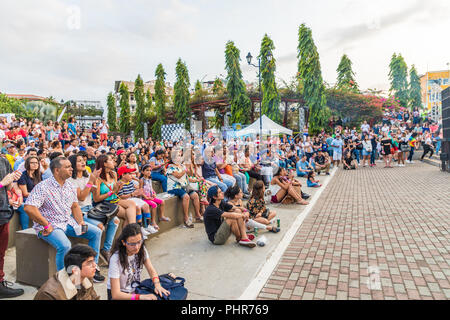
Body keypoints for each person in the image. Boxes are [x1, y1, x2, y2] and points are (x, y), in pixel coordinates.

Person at [23, 157, 105, 282]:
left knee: (96, 232)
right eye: (67, 167)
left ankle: (93, 269)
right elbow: (29, 208)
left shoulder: (70, 185)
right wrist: (46, 224)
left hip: (68, 222)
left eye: (70, 166)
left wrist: (81, 222)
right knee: (65, 245)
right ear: (56, 170)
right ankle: (64, 280)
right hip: (50, 226)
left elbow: (75, 206)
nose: (71, 168)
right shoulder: (43, 186)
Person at [67, 154, 119, 264]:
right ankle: (93, 263)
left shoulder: (88, 176)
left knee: (115, 221)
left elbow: (94, 194)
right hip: (80, 211)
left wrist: (96, 183)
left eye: (83, 160)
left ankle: (106, 249)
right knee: (99, 227)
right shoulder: (71, 180)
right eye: (79, 161)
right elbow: (80, 197)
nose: (83, 162)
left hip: (91, 208)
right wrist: (91, 182)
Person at [107, 223, 173, 300]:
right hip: (121, 295)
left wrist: (157, 285)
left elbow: (151, 270)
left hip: (135, 290)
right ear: (123, 242)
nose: (137, 247)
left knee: (165, 283)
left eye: (139, 242)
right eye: (132, 244)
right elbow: (116, 295)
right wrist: (141, 297)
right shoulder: (115, 259)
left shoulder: (142, 250)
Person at [34, 244, 100, 300]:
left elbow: (93, 297)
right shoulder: (50, 295)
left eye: (93, 261)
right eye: (89, 263)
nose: (95, 265)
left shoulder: (86, 277)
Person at [0, 161, 24, 299]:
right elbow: (3, 183)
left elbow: (9, 186)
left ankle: (0, 283)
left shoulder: (3, 161)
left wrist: (13, 183)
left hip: (3, 214)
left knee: (1, 252)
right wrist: (2, 183)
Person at [92, 154, 137, 227]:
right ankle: (132, 232)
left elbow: (116, 192)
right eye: (110, 160)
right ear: (104, 163)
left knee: (132, 203)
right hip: (104, 203)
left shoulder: (113, 174)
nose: (113, 161)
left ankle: (133, 229)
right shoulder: (98, 178)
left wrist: (118, 188)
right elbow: (96, 199)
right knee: (127, 215)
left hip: (114, 200)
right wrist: (112, 192)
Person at [116, 166, 158, 236]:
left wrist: (138, 191)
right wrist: (133, 194)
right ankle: (140, 228)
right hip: (127, 200)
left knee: (146, 206)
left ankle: (147, 226)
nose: (131, 175)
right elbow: (121, 197)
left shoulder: (131, 182)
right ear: (123, 175)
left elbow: (137, 189)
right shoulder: (120, 183)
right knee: (138, 208)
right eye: (129, 174)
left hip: (133, 198)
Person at [166, 149, 202, 228]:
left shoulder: (182, 166)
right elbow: (178, 176)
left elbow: (188, 176)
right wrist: (185, 169)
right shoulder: (170, 167)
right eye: (179, 155)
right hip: (174, 188)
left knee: (195, 195)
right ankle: (185, 218)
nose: (180, 157)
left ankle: (198, 215)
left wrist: (196, 178)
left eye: (180, 155)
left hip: (184, 186)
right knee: (186, 196)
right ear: (174, 158)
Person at [140, 164, 168, 231]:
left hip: (150, 197)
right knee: (154, 205)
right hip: (145, 198)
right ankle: (153, 221)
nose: (149, 172)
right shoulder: (142, 180)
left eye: (150, 170)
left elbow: (151, 188)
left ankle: (161, 216)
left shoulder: (149, 179)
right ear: (142, 172)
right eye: (147, 170)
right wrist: (146, 197)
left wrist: (154, 193)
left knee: (162, 202)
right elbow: (140, 191)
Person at [16, 156, 42, 230]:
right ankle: (25, 229)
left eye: (36, 163)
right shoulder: (23, 175)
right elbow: (25, 193)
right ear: (27, 164)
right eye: (32, 163)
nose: (35, 164)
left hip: (37, 198)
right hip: (26, 198)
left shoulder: (38, 174)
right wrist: (38, 196)